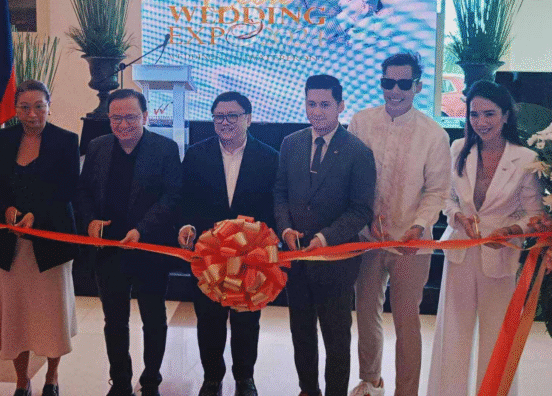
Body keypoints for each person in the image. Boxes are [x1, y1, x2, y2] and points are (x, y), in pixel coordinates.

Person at [427, 80, 544, 396]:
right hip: (459, 253)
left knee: (497, 337)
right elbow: (448, 198)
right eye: (474, 114)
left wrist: (510, 232)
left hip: (501, 257)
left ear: (506, 115)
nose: (481, 122)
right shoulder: (458, 149)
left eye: (489, 114)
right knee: (452, 335)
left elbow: (533, 216)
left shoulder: (525, 158)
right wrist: (457, 216)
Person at [347, 53, 451, 396]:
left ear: (417, 86)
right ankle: (370, 381)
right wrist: (366, 219)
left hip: (412, 242)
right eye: (387, 82)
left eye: (403, 83)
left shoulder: (434, 135)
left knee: (407, 321)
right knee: (366, 313)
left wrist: (418, 227)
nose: (394, 90)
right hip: (368, 238)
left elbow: (437, 191)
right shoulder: (361, 122)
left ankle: (406, 391)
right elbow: (352, 179)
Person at [274, 74, 376, 396]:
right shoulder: (290, 143)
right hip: (297, 259)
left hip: (336, 261)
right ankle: (308, 390)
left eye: (324, 104)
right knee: (301, 332)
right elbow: (280, 193)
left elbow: (361, 210)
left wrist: (325, 238)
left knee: (336, 338)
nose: (316, 111)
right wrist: (285, 227)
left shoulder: (358, 152)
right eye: (311, 104)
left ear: (340, 106)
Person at [78, 88, 182, 396]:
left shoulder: (165, 148)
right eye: (116, 118)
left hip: (149, 247)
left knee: (153, 317)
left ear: (145, 116)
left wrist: (141, 230)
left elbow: (172, 196)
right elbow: (82, 191)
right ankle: (121, 381)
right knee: (114, 320)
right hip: (109, 250)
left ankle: (151, 380)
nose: (123, 124)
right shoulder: (97, 147)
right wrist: (90, 221)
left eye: (131, 117)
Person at [0, 79, 79, 396]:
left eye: (39, 107)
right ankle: (22, 380)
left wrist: (37, 215)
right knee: (16, 317)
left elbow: (68, 189)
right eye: (24, 107)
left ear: (49, 107)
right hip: (11, 244)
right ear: (16, 109)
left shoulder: (65, 141)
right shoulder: (2, 139)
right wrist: (6, 208)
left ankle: (52, 377)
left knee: (52, 316)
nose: (32, 114)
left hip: (50, 243)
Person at [178, 91, 279, 396]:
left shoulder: (269, 157)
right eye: (219, 116)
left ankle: (245, 378)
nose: (225, 122)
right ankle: (212, 378)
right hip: (208, 256)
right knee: (208, 319)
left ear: (249, 119)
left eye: (232, 116)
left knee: (247, 319)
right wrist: (186, 226)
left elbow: (273, 207)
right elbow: (184, 201)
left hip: (250, 258)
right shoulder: (196, 155)